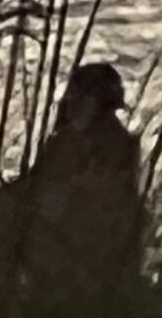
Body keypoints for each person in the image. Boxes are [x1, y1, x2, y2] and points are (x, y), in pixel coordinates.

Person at [18, 61, 144, 288]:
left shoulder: (110, 147)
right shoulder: (68, 142)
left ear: (99, 103)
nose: (71, 103)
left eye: (80, 97)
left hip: (82, 262)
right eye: (72, 96)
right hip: (69, 254)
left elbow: (64, 203)